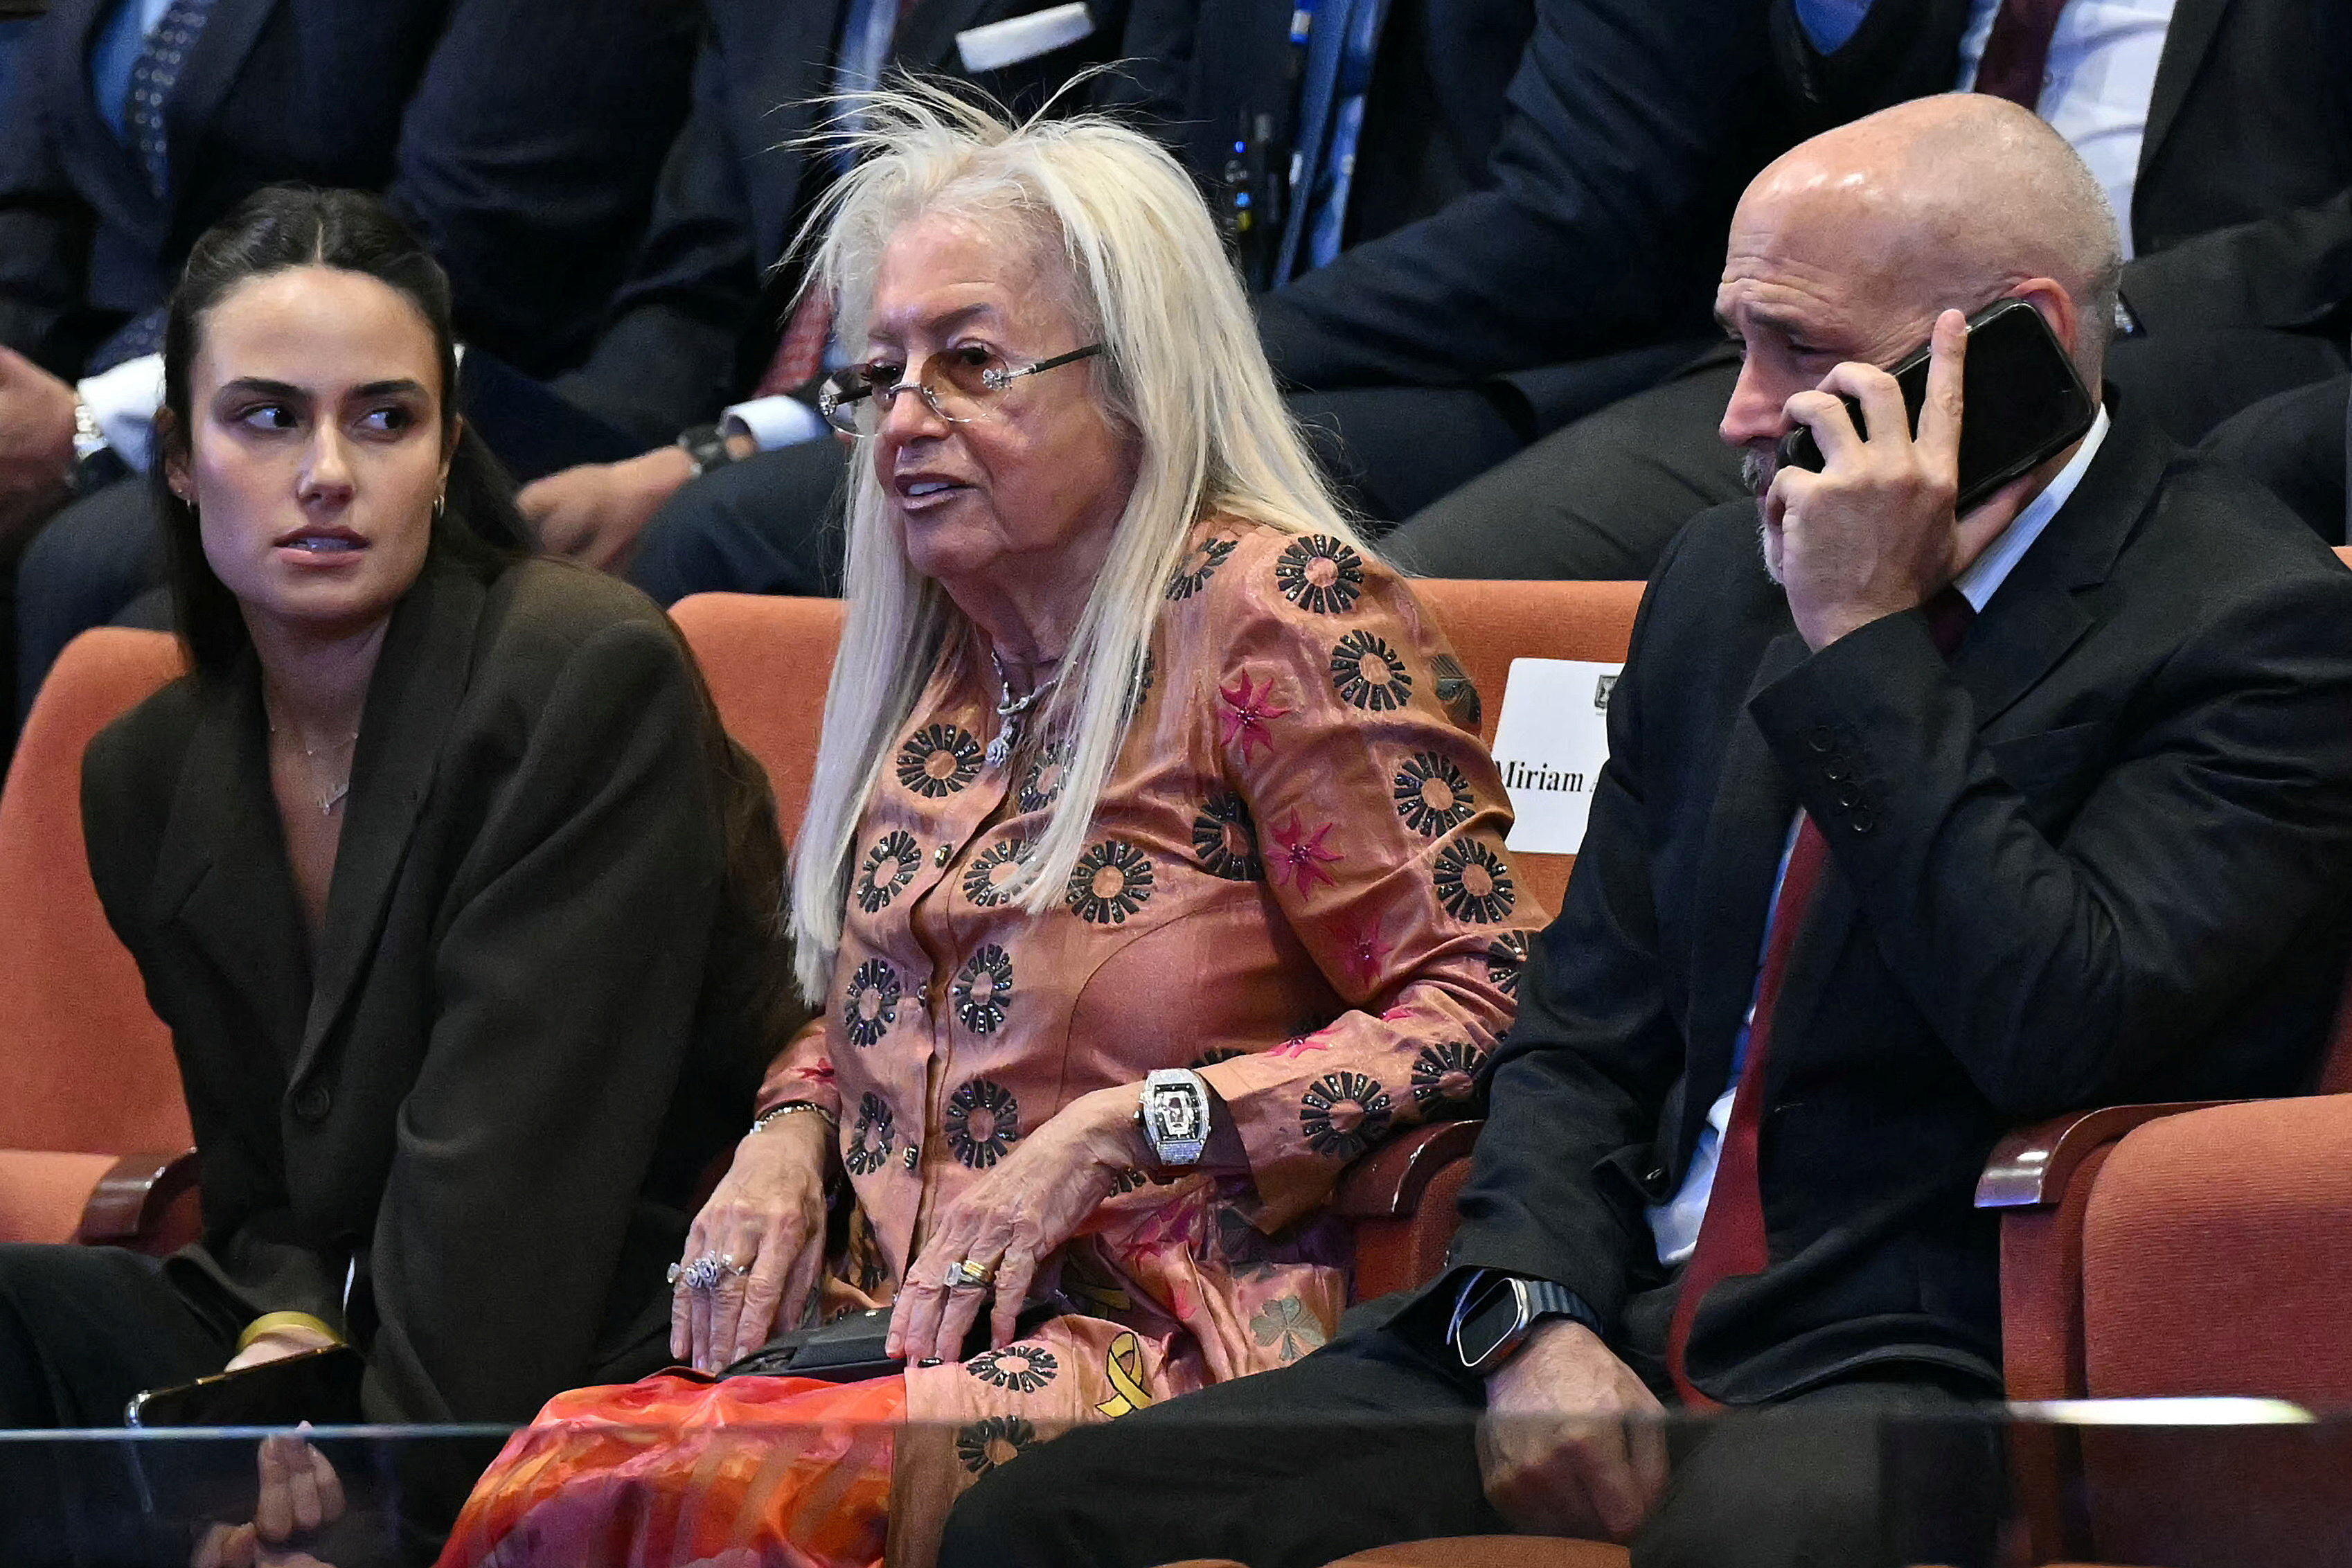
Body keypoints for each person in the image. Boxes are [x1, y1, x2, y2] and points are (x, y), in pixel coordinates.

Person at [940, 93, 2352, 1568]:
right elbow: (1580, 1029)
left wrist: (1864, 641)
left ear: (2015, 340)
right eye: (1739, 340)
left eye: (1800, 352)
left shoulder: (2259, 627)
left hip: (1916, 1352)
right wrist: (1530, 1312)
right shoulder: (1720, 577)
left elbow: (2058, 1023)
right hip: (1597, 1304)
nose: (1739, 412)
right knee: (1030, 1527)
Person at [439, 86, 1540, 1568]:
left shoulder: (1280, 616)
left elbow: (1489, 993)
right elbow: (882, 995)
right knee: (561, 1463)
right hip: (884, 1320)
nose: (905, 420)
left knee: (630, 1501)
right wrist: (786, 1130)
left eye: (969, 364)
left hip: (1162, 1336)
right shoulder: (948, 644)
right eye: (880, 374)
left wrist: (1135, 1123)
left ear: (1137, 377)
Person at [0, 187, 797, 1558]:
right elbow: (268, 1196)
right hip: (366, 1337)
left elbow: (515, 1206)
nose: (327, 470)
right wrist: (289, 1328)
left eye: (384, 418)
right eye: (265, 416)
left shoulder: (578, 677)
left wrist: (348, 1513)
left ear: (446, 453)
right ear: (182, 457)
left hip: (622, 1330)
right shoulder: (146, 772)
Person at [611, 0, 1790, 605]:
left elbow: (1578, 226)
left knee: (730, 539)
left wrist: (1190, 347)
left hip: (1490, 377)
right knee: (749, 524)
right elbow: (1131, 138)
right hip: (1216, 352)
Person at [1382, 0, 2352, 580]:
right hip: (1831, 330)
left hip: (2204, 331)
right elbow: (1830, 122)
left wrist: (2133, 298)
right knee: (1442, 580)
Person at [1, 0, 700, 724]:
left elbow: (458, 238)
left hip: (462, 371)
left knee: (86, 559)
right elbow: (33, 215)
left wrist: (88, 413)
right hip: (169, 371)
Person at [492, 0, 1186, 593]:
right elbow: (698, 286)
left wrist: (711, 454)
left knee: (708, 527)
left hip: (945, 393)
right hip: (751, 401)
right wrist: (589, 444)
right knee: (482, 468)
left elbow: (1113, 278)